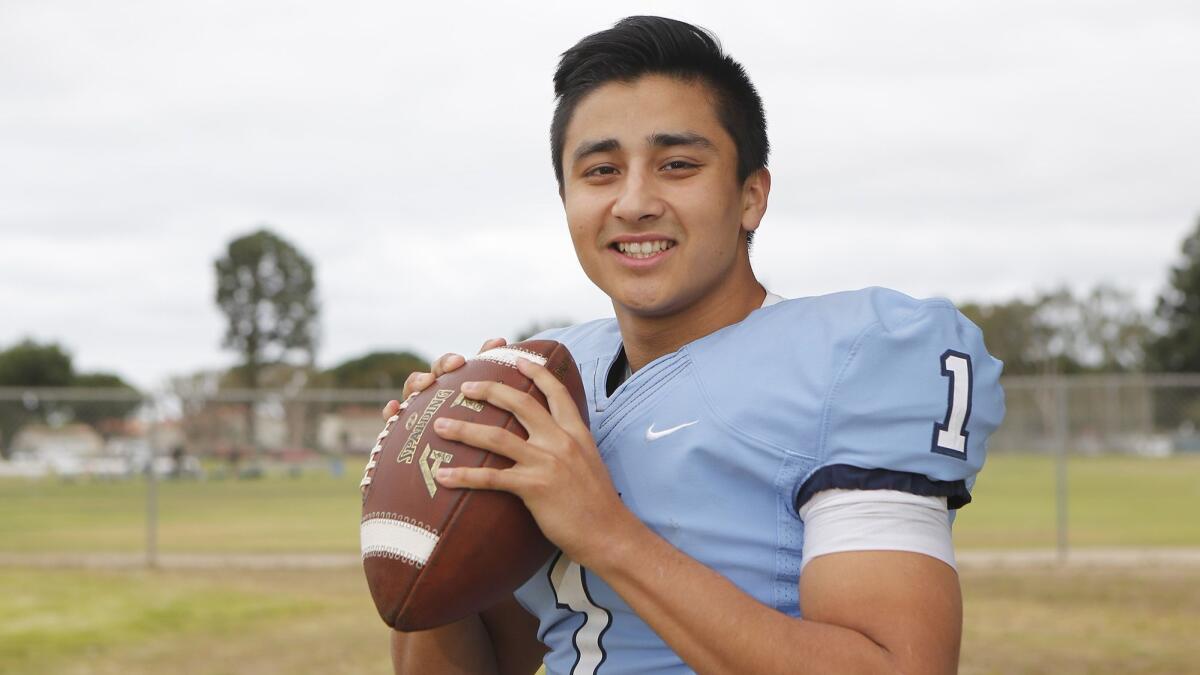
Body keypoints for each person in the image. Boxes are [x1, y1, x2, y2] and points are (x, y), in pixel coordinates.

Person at [380, 15, 1004, 674]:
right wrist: (433, 512)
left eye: (677, 164)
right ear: (566, 200)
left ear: (750, 196)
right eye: (600, 170)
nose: (634, 201)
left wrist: (605, 531)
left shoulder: (856, 355)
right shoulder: (550, 381)